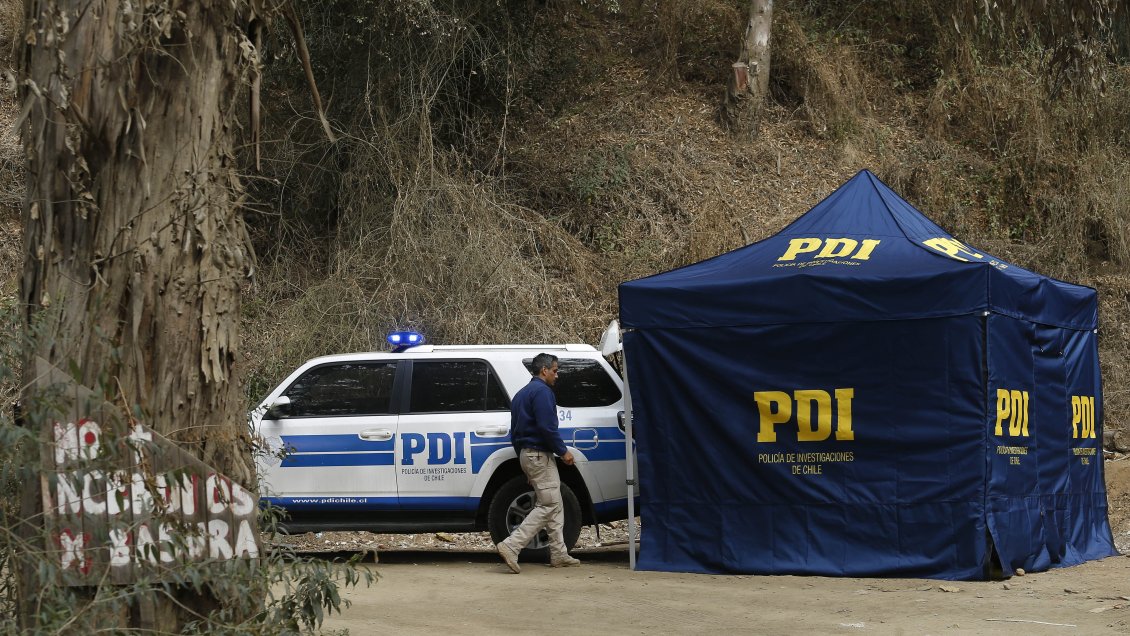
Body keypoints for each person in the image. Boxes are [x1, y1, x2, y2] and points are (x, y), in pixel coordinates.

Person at [496, 353, 581, 573]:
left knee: (555, 503)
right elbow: (547, 427)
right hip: (540, 455)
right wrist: (563, 452)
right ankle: (511, 545)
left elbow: (514, 433)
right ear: (544, 370)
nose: (557, 375)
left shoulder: (521, 395)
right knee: (549, 504)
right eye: (555, 370)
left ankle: (559, 553)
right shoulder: (543, 392)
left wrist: (524, 462)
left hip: (527, 455)